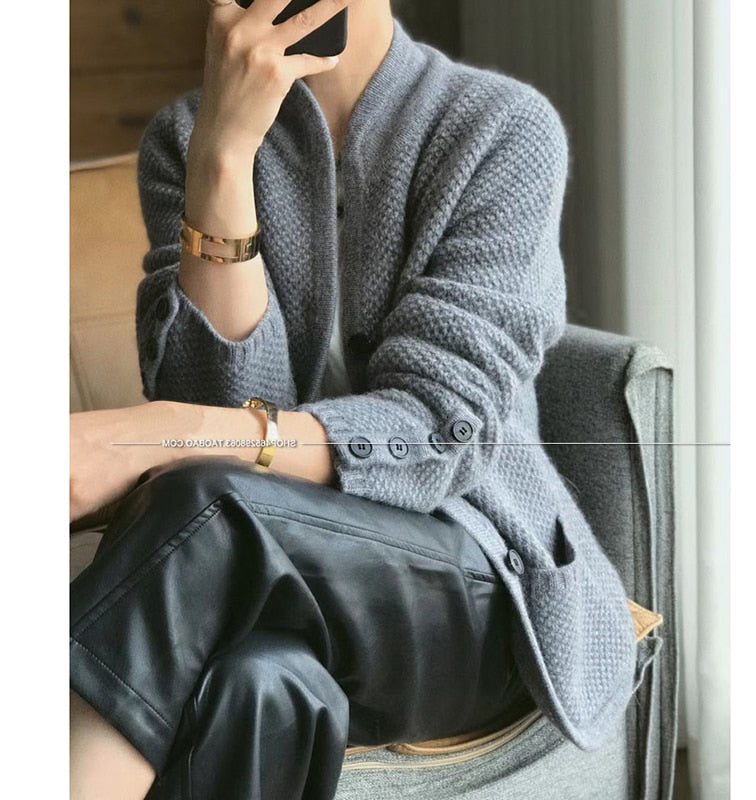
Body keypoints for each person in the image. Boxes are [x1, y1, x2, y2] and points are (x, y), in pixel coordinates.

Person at [69, 0, 639, 798]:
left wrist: (158, 433)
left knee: (209, 506)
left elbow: (437, 432)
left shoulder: (500, 127)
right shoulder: (188, 138)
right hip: (260, 577)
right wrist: (224, 159)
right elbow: (224, 410)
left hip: (473, 590)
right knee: (258, 683)